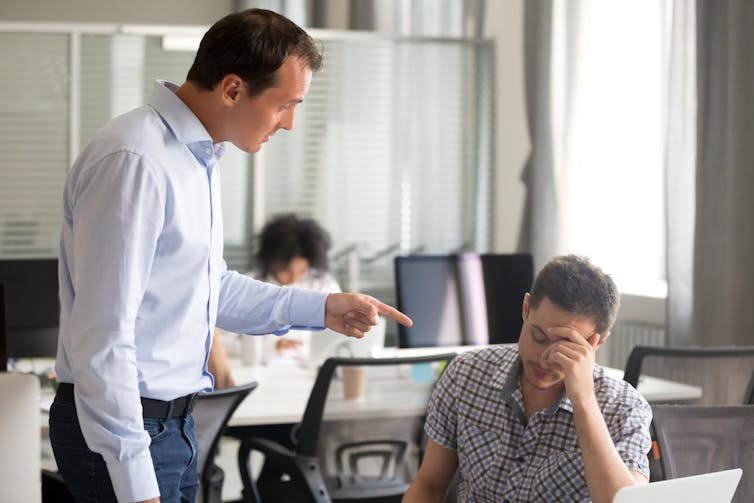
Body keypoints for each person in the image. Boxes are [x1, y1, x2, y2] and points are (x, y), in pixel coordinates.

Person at [49, 9, 412, 503]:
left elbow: (209, 288)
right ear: (233, 89)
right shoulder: (136, 161)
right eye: (285, 105)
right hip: (127, 431)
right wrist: (135, 483)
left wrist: (322, 308)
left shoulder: (197, 157)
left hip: (173, 425)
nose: (289, 124)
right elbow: (104, 339)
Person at [403, 255, 651, 503]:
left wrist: (584, 401)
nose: (544, 359)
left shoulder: (624, 408)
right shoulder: (466, 374)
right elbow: (429, 485)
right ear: (525, 309)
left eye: (565, 348)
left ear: (596, 342)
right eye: (538, 336)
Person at [208, 213, 341, 384]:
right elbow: (222, 340)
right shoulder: (247, 286)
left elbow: (335, 341)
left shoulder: (323, 284)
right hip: (263, 374)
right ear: (271, 261)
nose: (293, 279)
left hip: (311, 373)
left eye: (301, 272)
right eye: (286, 271)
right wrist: (269, 348)